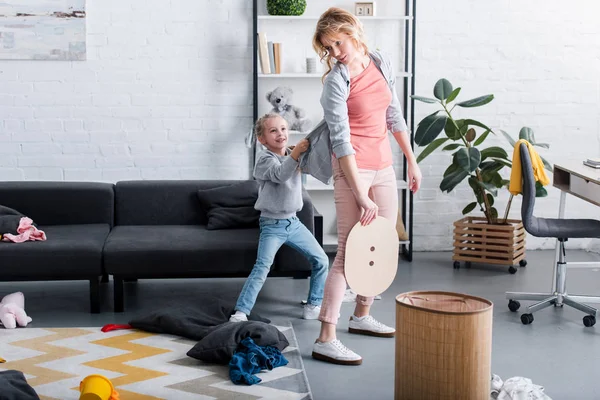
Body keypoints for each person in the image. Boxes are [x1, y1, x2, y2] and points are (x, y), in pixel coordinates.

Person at [310, 7, 422, 365]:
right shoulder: (335, 81)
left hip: (384, 166)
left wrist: (412, 160)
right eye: (328, 48)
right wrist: (359, 192)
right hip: (352, 170)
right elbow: (340, 141)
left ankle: (361, 316)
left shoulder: (380, 61)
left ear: (353, 32)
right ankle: (326, 336)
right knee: (347, 251)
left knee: (383, 242)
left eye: (338, 43)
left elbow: (394, 115)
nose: (335, 53)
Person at [229, 113, 329, 323]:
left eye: (283, 129)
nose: (280, 133)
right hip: (272, 225)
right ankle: (241, 311)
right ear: (262, 139)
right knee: (262, 267)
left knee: (321, 260)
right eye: (273, 130)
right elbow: (280, 174)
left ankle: (313, 304)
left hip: (294, 223)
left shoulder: (294, 155)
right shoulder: (265, 160)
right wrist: (296, 156)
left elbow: (314, 163)